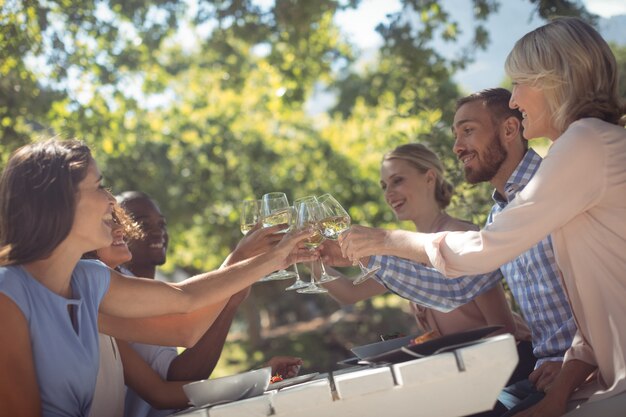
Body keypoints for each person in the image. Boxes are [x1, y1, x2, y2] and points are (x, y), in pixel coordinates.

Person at [339, 18, 626, 416]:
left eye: (521, 82)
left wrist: (385, 240)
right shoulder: (575, 157)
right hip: (585, 375)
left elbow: (482, 251)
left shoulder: (583, 143)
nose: (515, 98)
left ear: (556, 80)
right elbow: (592, 311)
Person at [0, 138, 315, 416]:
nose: (111, 202)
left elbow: (185, 306)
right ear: (60, 202)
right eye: (97, 188)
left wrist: (270, 258)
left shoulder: (88, 280)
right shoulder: (8, 294)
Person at [323, 88, 577, 416]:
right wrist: (360, 254)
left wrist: (574, 366)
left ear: (510, 130)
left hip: (556, 370)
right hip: (544, 371)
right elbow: (452, 288)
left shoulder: (557, 187)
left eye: (468, 131)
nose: (457, 148)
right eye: (456, 135)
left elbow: (600, 300)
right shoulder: (499, 217)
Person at [321, 143, 532, 383]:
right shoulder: (401, 246)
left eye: (397, 180)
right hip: (467, 373)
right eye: (384, 186)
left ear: (429, 178)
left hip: (514, 369)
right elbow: (350, 293)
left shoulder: (460, 237)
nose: (388, 193)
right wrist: (312, 261)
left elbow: (504, 329)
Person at [87, 202, 302, 417]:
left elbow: (163, 394)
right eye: (108, 220)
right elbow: (186, 327)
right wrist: (248, 259)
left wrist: (263, 378)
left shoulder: (100, 311)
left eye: (119, 219)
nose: (122, 228)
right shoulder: (89, 285)